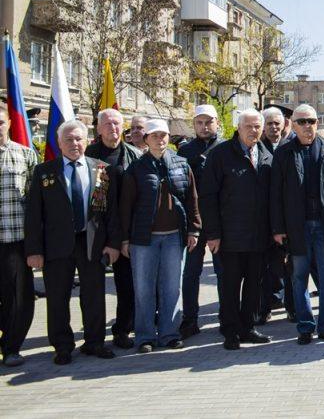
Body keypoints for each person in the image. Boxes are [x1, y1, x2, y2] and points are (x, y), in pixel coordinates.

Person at [25, 120, 120, 364]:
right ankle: (62, 346)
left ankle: (95, 342)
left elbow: (110, 211)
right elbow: (34, 214)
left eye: (79, 138)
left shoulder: (102, 169)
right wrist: (34, 250)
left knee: (94, 295)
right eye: (68, 139)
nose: (74, 143)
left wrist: (113, 243)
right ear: (59, 143)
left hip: (92, 243)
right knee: (57, 297)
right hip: (56, 244)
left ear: (87, 141)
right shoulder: (44, 172)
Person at [270, 104, 324, 345]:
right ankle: (305, 327)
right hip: (297, 226)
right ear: (293, 125)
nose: (307, 126)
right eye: (302, 122)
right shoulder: (283, 154)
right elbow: (275, 194)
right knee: (299, 278)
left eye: (312, 121)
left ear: (318, 123)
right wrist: (278, 228)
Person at [120, 118, 200, 353]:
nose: (160, 139)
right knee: (144, 289)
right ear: (146, 139)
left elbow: (192, 199)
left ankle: (169, 334)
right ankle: (145, 336)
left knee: (172, 288)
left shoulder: (181, 164)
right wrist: (124, 238)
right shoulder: (136, 168)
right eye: (154, 135)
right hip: (144, 239)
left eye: (163, 135)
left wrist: (194, 229)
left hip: (174, 237)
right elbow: (126, 206)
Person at [200, 110, 273, 350]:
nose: (254, 131)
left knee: (254, 284)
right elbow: (208, 197)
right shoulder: (220, 154)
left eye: (257, 126)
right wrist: (213, 234)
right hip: (229, 236)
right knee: (230, 286)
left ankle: (247, 328)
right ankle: (230, 331)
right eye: (248, 126)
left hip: (258, 235)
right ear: (238, 128)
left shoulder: (266, 154)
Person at [84, 108, 142, 350]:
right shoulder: (87, 155)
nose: (113, 128)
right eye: (107, 124)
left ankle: (122, 330)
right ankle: (93, 336)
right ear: (98, 128)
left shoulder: (134, 155)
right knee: (92, 286)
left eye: (117, 123)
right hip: (95, 229)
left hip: (126, 230)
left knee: (126, 285)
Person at [178, 104, 226, 339]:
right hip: (194, 221)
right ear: (194, 125)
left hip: (221, 220)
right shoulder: (185, 151)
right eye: (200, 122)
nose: (204, 127)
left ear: (217, 123)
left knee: (223, 272)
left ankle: (227, 317)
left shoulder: (225, 148)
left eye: (209, 122)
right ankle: (189, 319)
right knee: (191, 273)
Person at [0, 107, 37, 367]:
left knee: (17, 297)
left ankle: (11, 347)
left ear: (10, 123)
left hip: (16, 239)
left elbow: (36, 202)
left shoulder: (25, 154)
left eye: (0, 122)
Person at [257, 106, 290, 325]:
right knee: (264, 266)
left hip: (287, 217)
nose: (273, 127)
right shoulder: (256, 149)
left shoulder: (290, 147)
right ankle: (264, 307)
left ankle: (291, 307)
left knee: (288, 265)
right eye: (269, 123)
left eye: (277, 123)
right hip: (263, 218)